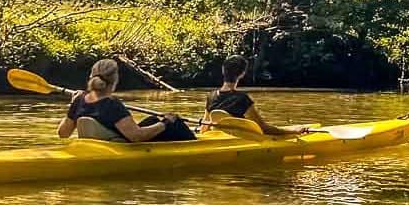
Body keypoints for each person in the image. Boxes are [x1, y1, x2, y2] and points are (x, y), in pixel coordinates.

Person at [57, 58, 195, 142]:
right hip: (117, 146)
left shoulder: (79, 100)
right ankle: (198, 147)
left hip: (95, 145)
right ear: (115, 79)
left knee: (152, 120)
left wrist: (72, 105)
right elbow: (136, 137)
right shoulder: (112, 104)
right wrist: (166, 123)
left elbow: (63, 134)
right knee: (174, 122)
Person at [203, 55, 308, 136]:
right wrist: (292, 130)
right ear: (242, 73)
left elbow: (204, 128)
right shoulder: (241, 99)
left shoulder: (211, 96)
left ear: (223, 71)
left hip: (219, 138)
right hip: (238, 140)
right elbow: (264, 128)